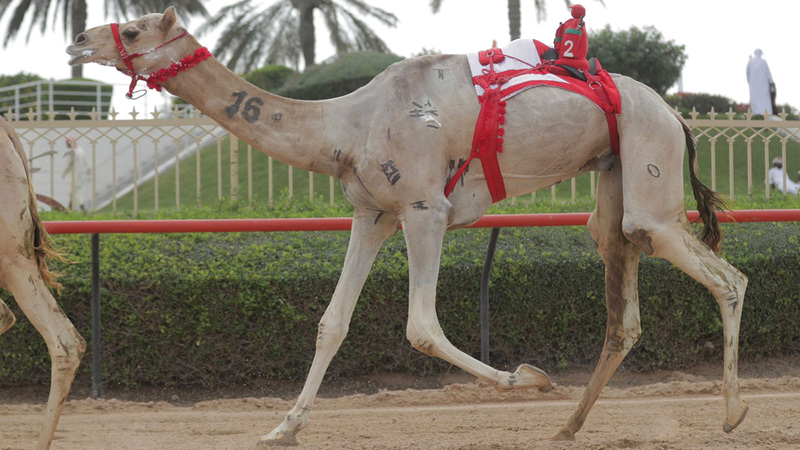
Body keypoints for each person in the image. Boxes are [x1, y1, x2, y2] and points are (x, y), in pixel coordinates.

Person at [62, 136, 91, 210]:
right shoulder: (81, 150)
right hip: (82, 174)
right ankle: (72, 207)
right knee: (78, 190)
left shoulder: (72, 152)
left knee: (74, 191)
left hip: (75, 174)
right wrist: (88, 172)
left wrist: (64, 174)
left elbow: (68, 164)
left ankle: (77, 207)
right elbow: (86, 163)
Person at [746, 49, 775, 116]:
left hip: (754, 85)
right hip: (763, 84)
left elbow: (747, 73)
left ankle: (757, 113)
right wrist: (771, 82)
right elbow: (768, 74)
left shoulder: (750, 62)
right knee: (764, 99)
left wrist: (749, 82)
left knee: (756, 99)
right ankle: (766, 113)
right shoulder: (763, 62)